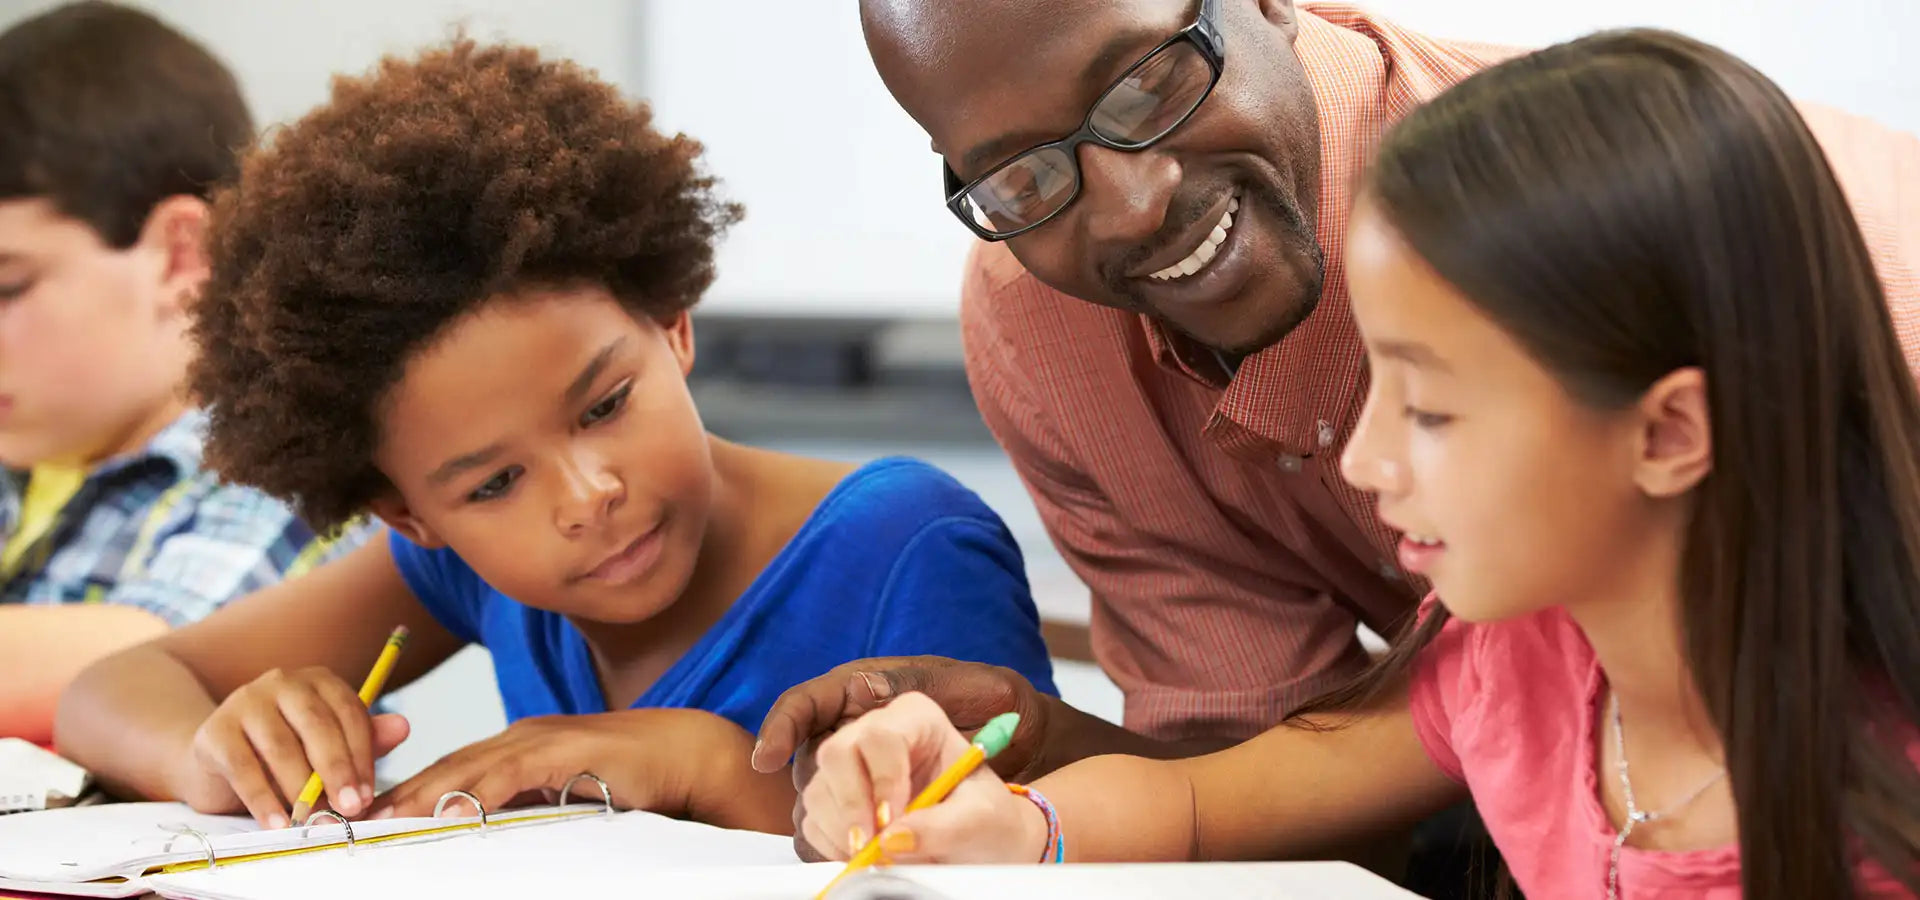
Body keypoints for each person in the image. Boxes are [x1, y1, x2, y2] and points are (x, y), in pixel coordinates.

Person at [795, 28, 1920, 899]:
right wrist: (1020, 827)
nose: (1366, 461)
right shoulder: (1515, 665)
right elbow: (1206, 804)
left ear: (1669, 434)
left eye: (1429, 409)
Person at [54, 39, 1056, 835]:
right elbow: (110, 690)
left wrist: (703, 767)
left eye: (605, 404)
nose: (587, 497)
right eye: (493, 484)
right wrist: (212, 753)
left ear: (671, 323)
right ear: (411, 514)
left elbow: (1022, 845)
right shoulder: (456, 567)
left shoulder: (904, 546)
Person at [0, 2, 358, 747]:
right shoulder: (28, 452)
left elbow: (165, 667)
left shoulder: (285, 463)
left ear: (180, 255)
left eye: (8, 288)